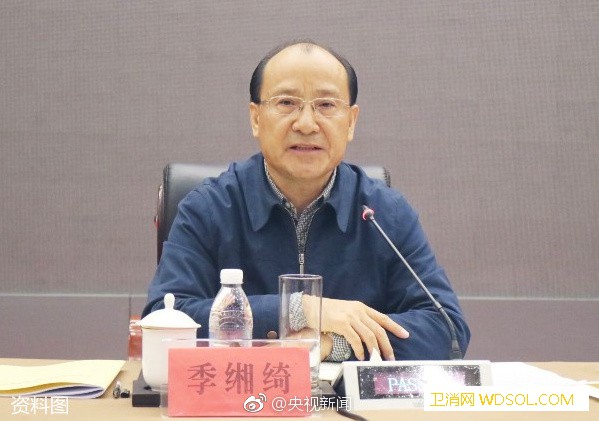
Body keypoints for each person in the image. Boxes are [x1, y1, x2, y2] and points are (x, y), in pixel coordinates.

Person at [143, 40, 470, 361]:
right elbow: (164, 319)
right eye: (286, 102)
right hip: (242, 393)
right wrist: (301, 308)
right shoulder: (208, 208)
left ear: (351, 121)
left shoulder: (385, 213)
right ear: (256, 118)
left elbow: (446, 329)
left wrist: (331, 346)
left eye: (326, 105)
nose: (306, 124)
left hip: (344, 396)